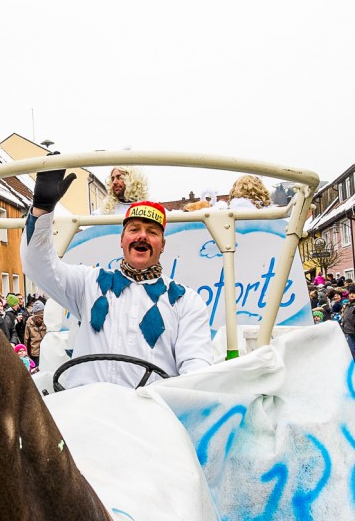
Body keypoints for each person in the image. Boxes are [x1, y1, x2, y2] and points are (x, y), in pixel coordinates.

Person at [22, 164, 212, 389]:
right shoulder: (88, 283)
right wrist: (42, 210)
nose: (142, 236)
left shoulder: (185, 302)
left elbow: (196, 368)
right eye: (134, 230)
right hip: (86, 411)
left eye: (152, 232)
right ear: (121, 240)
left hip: (149, 416)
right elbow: (38, 266)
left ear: (162, 245)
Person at [24, 299, 48, 367]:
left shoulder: (29, 322)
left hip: (38, 351)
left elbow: (26, 340)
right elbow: (26, 339)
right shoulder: (47, 320)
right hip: (38, 352)